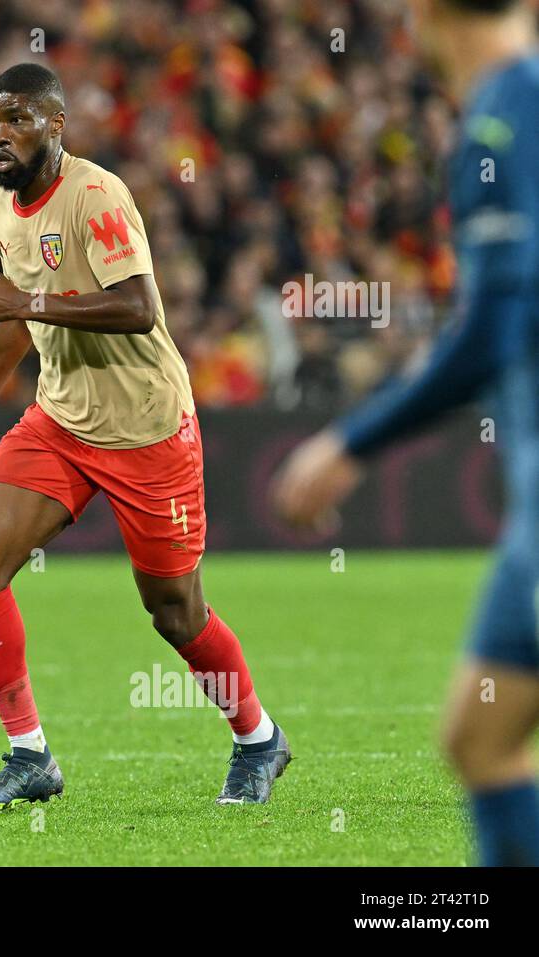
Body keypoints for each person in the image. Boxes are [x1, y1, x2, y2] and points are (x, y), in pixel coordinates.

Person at [0, 63, 289, 811]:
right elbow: (16, 313)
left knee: (174, 612)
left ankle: (258, 735)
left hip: (147, 428)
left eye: (18, 118)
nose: (0, 134)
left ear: (56, 125)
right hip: (61, 418)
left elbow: (137, 306)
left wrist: (25, 298)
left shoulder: (95, 195)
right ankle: (29, 753)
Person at [273, 0, 539, 865]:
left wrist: (349, 443)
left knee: (485, 739)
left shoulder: (501, 119)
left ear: (423, 14)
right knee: (481, 737)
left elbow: (490, 330)